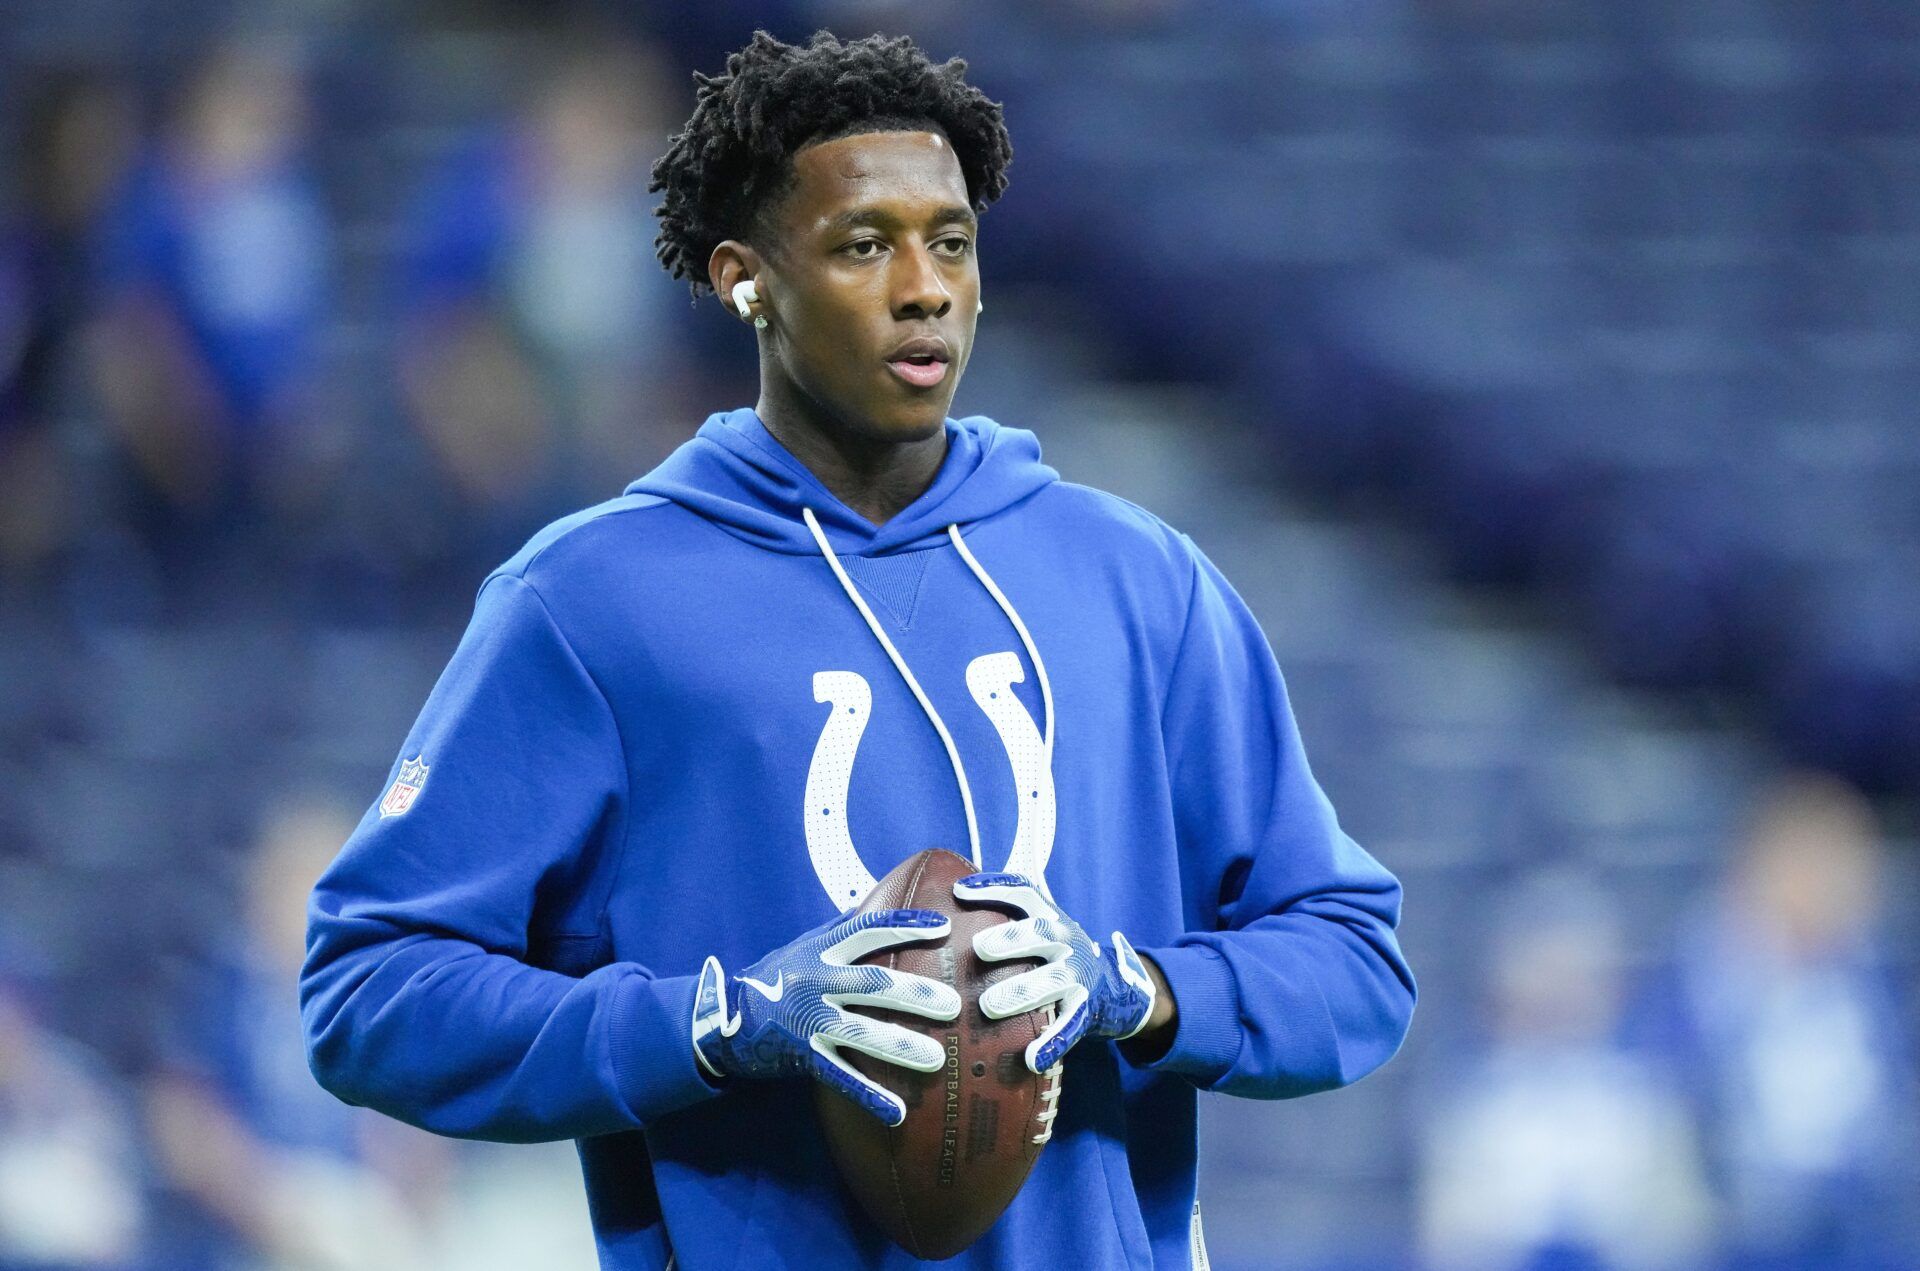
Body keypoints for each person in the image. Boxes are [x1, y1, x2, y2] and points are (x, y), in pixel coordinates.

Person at [301, 29, 1414, 1270]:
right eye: (863, 245)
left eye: (951, 241)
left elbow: (1355, 960)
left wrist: (1139, 991)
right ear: (746, 279)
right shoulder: (589, 601)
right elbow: (368, 995)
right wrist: (716, 1022)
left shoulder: (1137, 579)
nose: (925, 285)